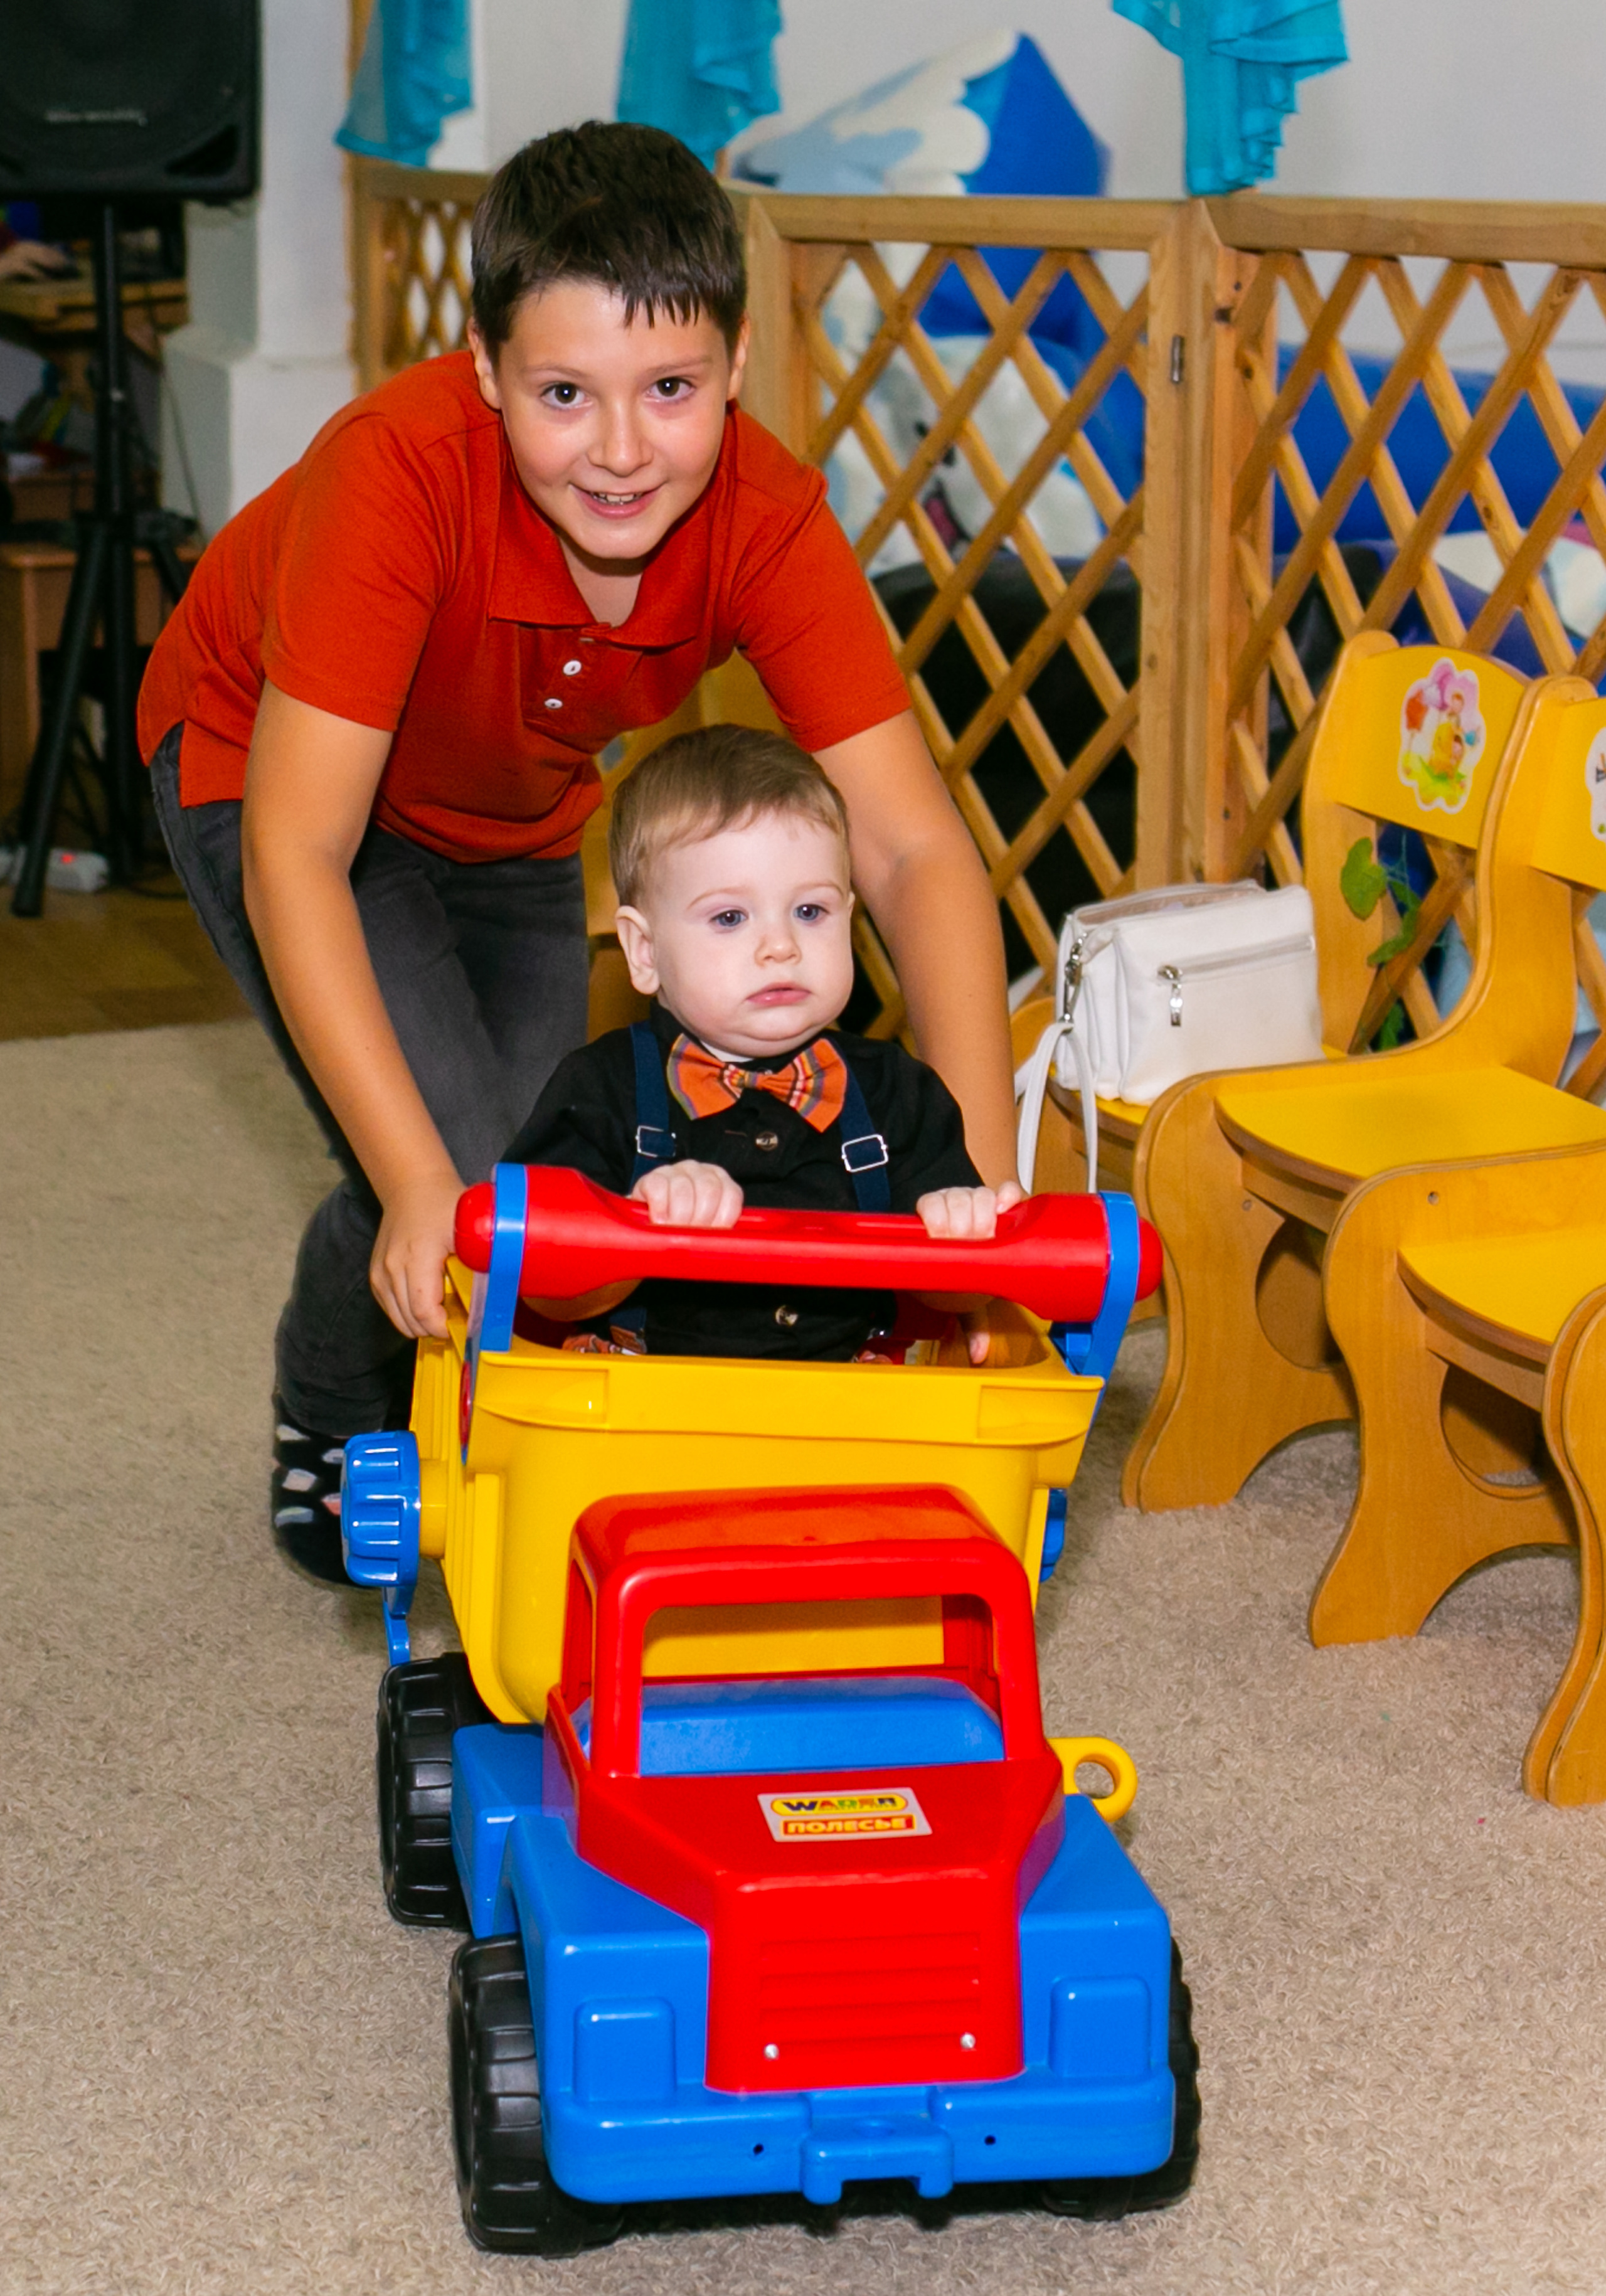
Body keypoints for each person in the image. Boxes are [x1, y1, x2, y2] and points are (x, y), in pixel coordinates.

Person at [136, 121, 1016, 1584]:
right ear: (486, 378)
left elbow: (915, 852)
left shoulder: (769, 520)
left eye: (669, 390)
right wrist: (418, 1180)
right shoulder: (397, 474)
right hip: (269, 779)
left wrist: (976, 1201)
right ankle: (333, 1401)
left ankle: (486, 1328)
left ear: (736, 368)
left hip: (514, 818)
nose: (618, 449)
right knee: (471, 1180)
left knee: (567, 1180)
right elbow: (299, 848)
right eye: (562, 393)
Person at [508, 726, 1021, 1363]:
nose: (781, 946)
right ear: (645, 952)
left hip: (841, 1413)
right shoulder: (598, 1089)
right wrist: (633, 1228)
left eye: (810, 912)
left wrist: (961, 1239)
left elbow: (949, 1300)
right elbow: (539, 1290)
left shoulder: (897, 1090)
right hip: (644, 1420)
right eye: (729, 918)